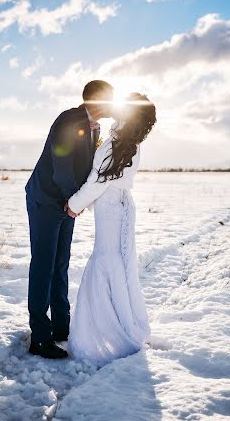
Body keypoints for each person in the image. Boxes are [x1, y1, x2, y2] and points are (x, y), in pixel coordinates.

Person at [65, 92, 157, 367]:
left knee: (107, 261)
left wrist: (74, 204)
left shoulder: (117, 143)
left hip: (109, 208)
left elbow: (98, 180)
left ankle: (109, 332)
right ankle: (124, 321)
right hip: (120, 205)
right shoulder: (129, 143)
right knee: (119, 262)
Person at [25, 80, 114, 359]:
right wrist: (73, 201)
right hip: (47, 200)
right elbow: (62, 166)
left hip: (66, 203)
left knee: (61, 262)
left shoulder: (94, 126)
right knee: (44, 265)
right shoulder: (69, 119)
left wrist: (77, 201)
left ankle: (62, 327)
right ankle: (39, 337)